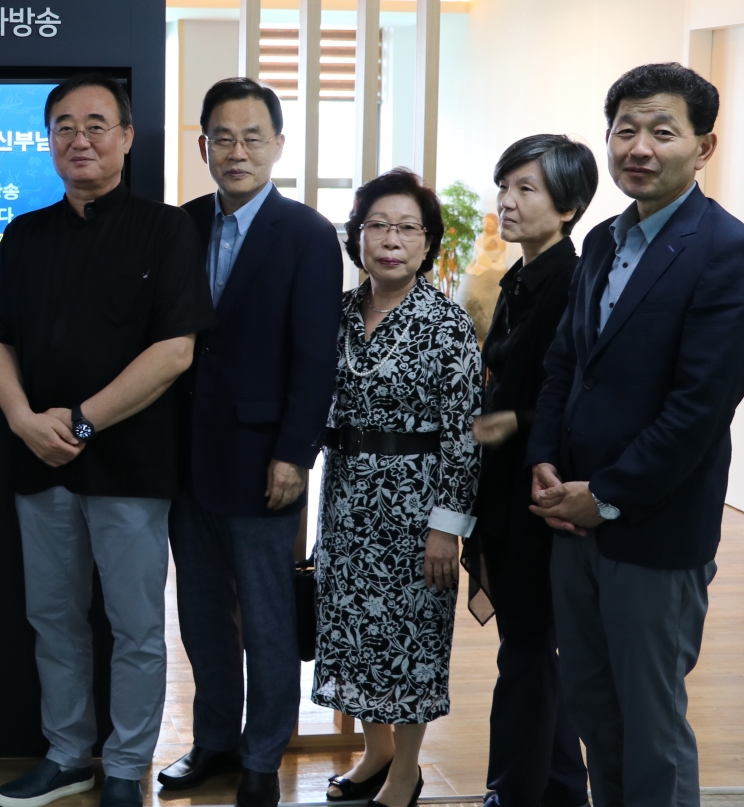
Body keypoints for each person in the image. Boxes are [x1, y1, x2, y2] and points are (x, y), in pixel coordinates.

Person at [527, 63, 744, 807]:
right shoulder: (604, 240)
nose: (639, 147)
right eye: (625, 129)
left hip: (653, 528)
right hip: (572, 520)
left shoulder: (729, 254)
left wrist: (604, 495)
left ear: (703, 146)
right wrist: (543, 459)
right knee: (593, 706)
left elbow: (700, 410)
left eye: (662, 131)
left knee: (651, 721)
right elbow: (565, 364)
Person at [0, 75, 216, 807]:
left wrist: (80, 421)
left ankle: (125, 765)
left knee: (136, 626)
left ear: (127, 136)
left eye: (95, 124)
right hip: (38, 461)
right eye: (64, 126)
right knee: (53, 619)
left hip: (130, 466)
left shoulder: (167, 230)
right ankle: (67, 755)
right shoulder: (25, 234)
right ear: (48, 139)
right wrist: (24, 420)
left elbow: (175, 351)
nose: (78, 139)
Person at [160, 78, 342, 807]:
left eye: (252, 138)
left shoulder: (307, 234)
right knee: (201, 612)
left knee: (267, 617)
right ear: (203, 146)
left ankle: (265, 753)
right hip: (184, 454)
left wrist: (295, 453)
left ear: (278, 145)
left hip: (266, 458)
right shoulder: (183, 224)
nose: (237, 152)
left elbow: (316, 358)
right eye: (223, 138)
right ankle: (215, 741)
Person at [314, 169, 482, 807]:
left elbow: (465, 434)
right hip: (347, 496)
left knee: (412, 636)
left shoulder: (446, 323)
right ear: (357, 236)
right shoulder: (336, 313)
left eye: (407, 228)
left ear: (427, 242)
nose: (391, 239)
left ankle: (406, 771)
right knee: (355, 629)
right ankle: (375, 750)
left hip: (416, 505)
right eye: (378, 225)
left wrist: (447, 526)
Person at [461, 136, 597, 807]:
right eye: (504, 186)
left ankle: (511, 792)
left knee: (527, 649)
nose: (506, 202)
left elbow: (578, 392)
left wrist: (513, 419)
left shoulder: (574, 282)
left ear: (568, 207)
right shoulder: (517, 278)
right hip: (507, 484)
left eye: (526, 189)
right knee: (532, 645)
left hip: (542, 488)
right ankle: (564, 790)